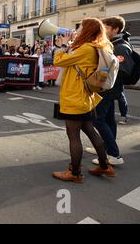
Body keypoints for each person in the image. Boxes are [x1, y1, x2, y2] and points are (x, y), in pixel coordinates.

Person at [52, 18, 115, 183]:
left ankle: (74, 172)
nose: (77, 30)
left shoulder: (86, 48)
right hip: (85, 98)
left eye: (80, 28)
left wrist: (63, 45)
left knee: (73, 135)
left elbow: (58, 60)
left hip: (75, 97)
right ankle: (104, 165)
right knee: (90, 130)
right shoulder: (96, 46)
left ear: (87, 31)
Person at [88, 16, 135, 166]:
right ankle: (106, 147)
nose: (103, 30)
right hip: (109, 88)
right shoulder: (113, 44)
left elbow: (124, 70)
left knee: (97, 120)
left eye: (106, 28)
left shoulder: (121, 47)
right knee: (108, 120)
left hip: (108, 89)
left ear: (115, 29)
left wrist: (104, 70)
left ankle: (114, 154)